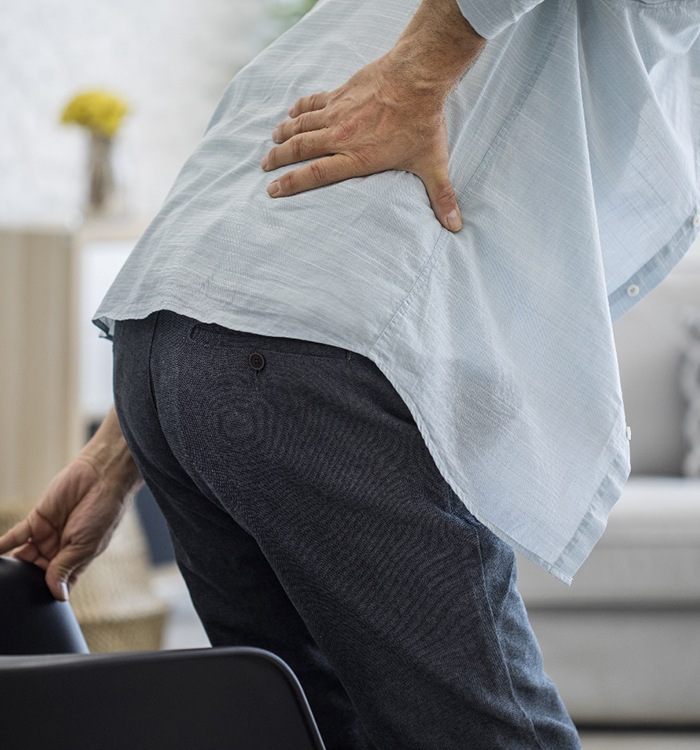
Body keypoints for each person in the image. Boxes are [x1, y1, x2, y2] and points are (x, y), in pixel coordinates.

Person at [2, 0, 699, 747]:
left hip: (174, 347)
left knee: (306, 730)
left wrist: (122, 445)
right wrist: (416, 77)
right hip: (317, 364)